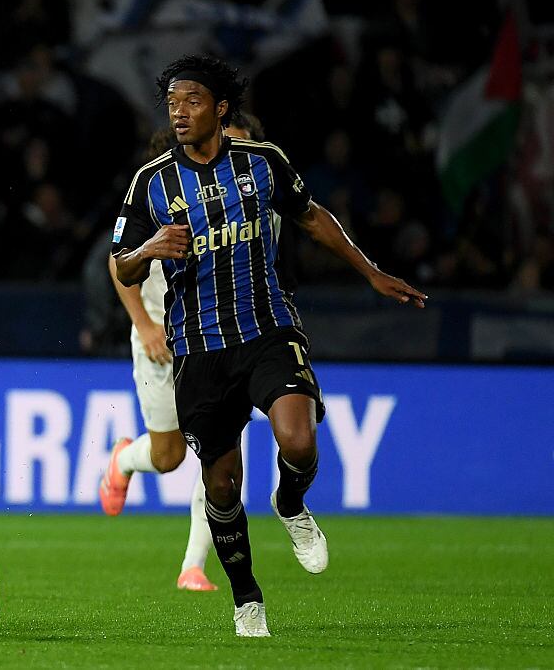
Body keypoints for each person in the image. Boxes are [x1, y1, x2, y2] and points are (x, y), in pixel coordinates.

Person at [110, 55, 426, 637]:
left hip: (269, 328)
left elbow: (311, 218)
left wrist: (371, 271)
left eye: (193, 102)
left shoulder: (263, 163)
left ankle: (290, 503)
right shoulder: (151, 182)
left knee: (298, 441)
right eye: (173, 103)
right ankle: (246, 596)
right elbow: (121, 267)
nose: (179, 113)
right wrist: (149, 248)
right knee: (221, 484)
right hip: (200, 348)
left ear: (221, 108)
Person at [101, 112, 265, 594]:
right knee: (169, 456)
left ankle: (194, 565)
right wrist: (147, 325)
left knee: (219, 449)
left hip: (218, 341)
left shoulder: (253, 205)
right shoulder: (162, 192)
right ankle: (126, 460)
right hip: (160, 340)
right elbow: (119, 263)